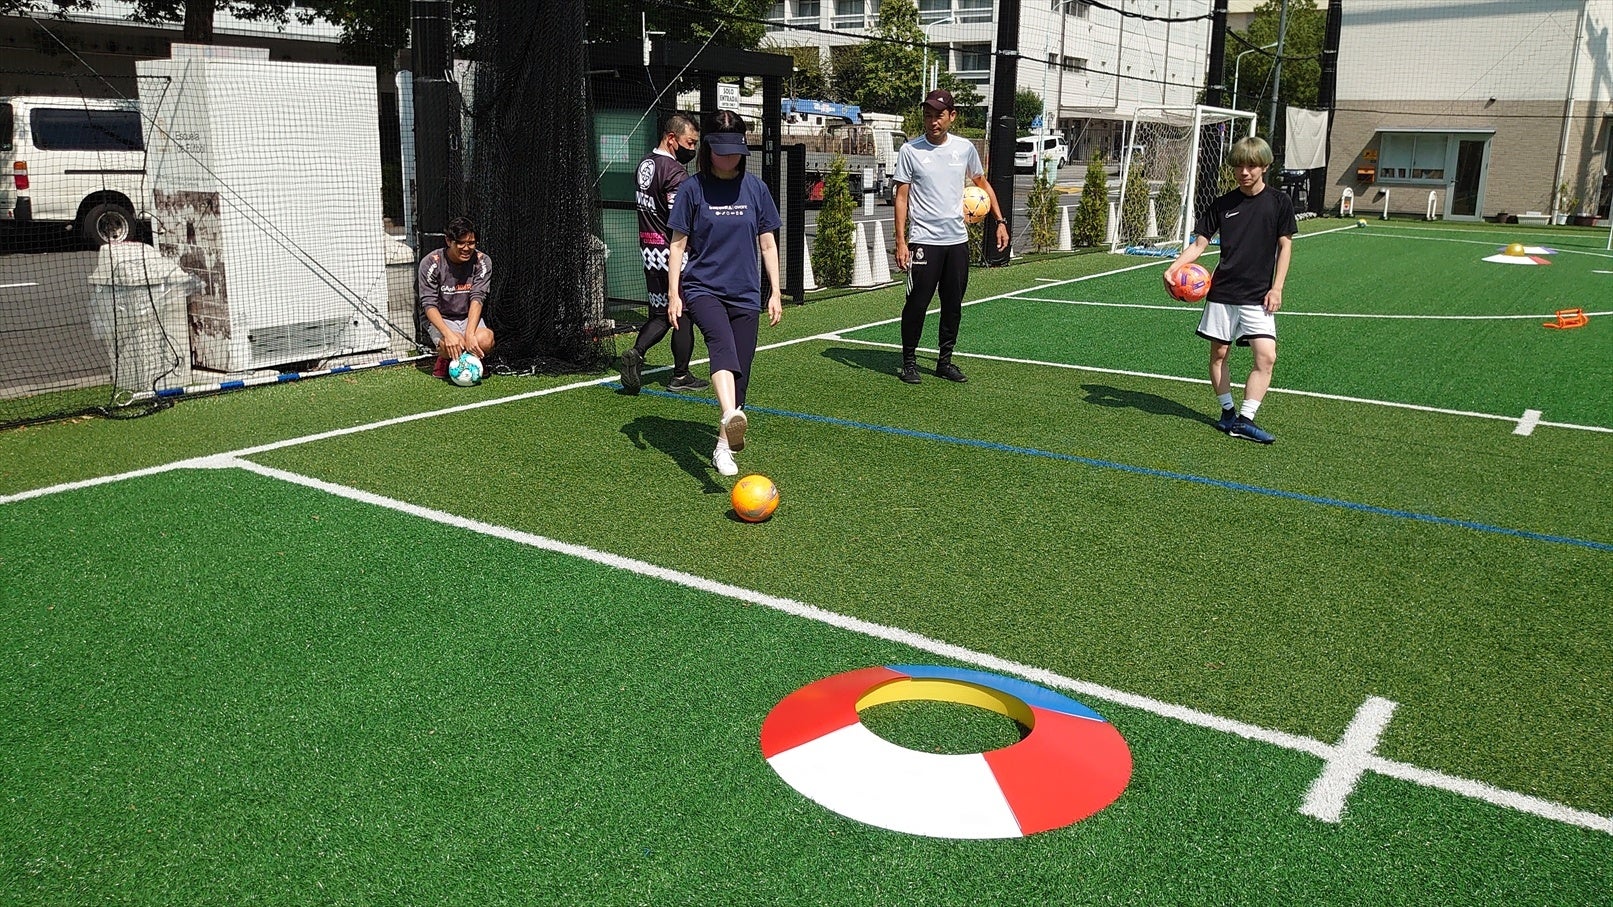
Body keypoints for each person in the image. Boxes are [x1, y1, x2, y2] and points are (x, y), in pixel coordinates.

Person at [666, 111, 783, 477]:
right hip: (703, 288)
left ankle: (723, 445)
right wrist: (674, 293)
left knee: (741, 373)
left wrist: (775, 291)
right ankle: (731, 414)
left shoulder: (756, 189)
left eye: (735, 151)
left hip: (745, 292)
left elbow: (767, 243)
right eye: (722, 150)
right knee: (722, 347)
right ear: (708, 148)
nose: (729, 157)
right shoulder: (692, 189)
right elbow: (677, 245)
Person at [1163, 135, 1295, 444]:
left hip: (1258, 295)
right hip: (1222, 293)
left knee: (1266, 356)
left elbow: (1285, 246)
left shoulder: (1279, 202)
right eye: (1238, 166)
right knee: (1219, 354)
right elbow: (1199, 244)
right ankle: (1227, 413)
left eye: (1251, 166)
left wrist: (1277, 288)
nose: (1244, 172)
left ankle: (1245, 420)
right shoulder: (1223, 204)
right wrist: (1172, 268)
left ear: (1264, 167)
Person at [891, 88, 1009, 385]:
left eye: (939, 115)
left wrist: (1000, 221)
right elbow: (901, 198)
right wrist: (901, 241)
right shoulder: (910, 151)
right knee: (917, 303)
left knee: (953, 305)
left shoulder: (964, 148)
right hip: (924, 241)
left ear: (951, 116)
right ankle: (909, 362)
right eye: (928, 115)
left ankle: (945, 361)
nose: (933, 121)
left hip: (957, 242)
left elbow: (982, 184)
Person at [619, 114, 709, 395]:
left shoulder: (645, 163)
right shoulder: (675, 173)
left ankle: (636, 352)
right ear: (672, 139)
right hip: (673, 254)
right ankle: (681, 375)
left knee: (661, 313)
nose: (692, 149)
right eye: (689, 142)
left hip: (649, 251)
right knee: (683, 313)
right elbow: (679, 219)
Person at [418, 216, 495, 378]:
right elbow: (428, 304)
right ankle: (444, 360)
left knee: (485, 340)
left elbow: (478, 298)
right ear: (448, 241)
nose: (466, 248)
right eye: (461, 243)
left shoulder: (482, 261)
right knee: (455, 343)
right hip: (442, 318)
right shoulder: (431, 263)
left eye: (471, 243)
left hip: (468, 317)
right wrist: (448, 334)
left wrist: (470, 334)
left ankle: (474, 360)